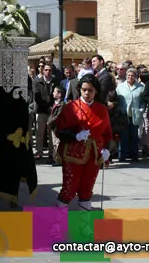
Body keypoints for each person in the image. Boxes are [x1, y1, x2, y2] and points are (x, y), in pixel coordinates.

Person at [54, 73, 112, 210]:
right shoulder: (71, 107)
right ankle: (55, 226)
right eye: (84, 90)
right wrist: (75, 136)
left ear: (95, 91)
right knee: (69, 189)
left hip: (94, 155)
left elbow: (107, 133)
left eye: (90, 90)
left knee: (87, 190)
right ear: (79, 89)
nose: (87, 93)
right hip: (73, 154)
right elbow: (59, 131)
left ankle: (82, 227)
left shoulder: (102, 109)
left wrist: (107, 149)